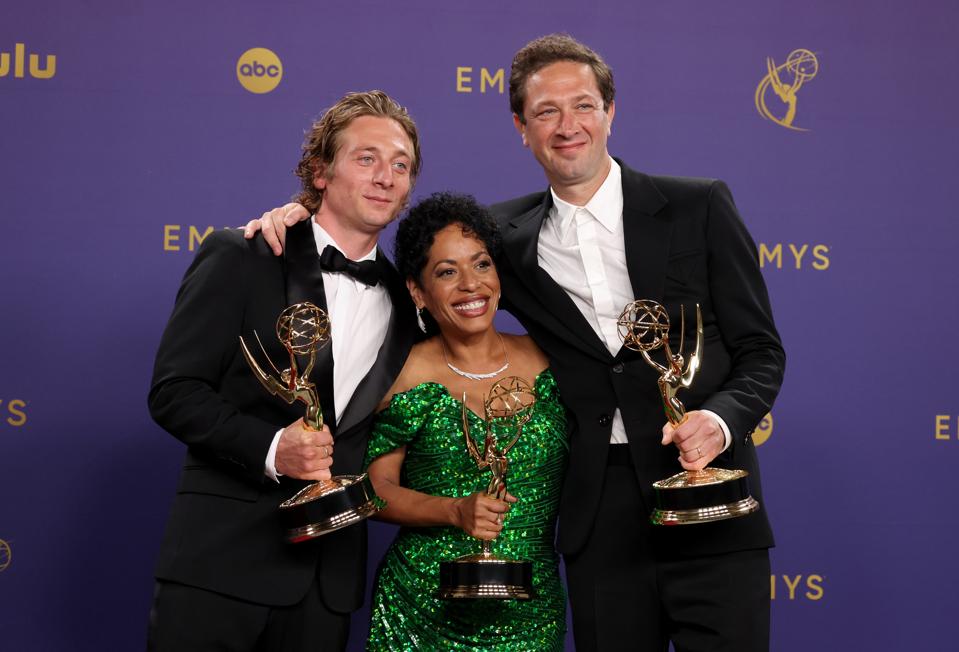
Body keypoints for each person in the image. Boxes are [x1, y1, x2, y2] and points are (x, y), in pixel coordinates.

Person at [247, 34, 785, 652]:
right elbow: (435, 273)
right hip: (597, 510)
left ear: (610, 111)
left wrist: (719, 421)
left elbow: (762, 351)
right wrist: (298, 218)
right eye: (545, 112)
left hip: (708, 489)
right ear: (520, 128)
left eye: (582, 105)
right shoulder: (503, 238)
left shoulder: (701, 206)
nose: (567, 126)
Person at [147, 90, 421, 652]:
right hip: (220, 566)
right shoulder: (243, 254)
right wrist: (273, 448)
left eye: (401, 165)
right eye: (366, 158)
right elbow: (174, 392)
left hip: (326, 584)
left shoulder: (409, 305)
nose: (385, 176)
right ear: (320, 171)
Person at [362, 192, 567, 650]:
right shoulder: (402, 373)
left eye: (481, 265)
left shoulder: (549, 360)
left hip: (531, 612)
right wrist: (453, 510)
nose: (470, 285)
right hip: (420, 611)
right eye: (447, 272)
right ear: (418, 291)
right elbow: (374, 492)